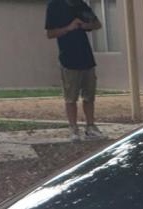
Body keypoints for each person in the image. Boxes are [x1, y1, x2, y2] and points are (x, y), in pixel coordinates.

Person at [44, 0, 102, 140]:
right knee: (71, 97)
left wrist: (85, 25)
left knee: (89, 96)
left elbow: (97, 24)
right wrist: (69, 28)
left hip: (86, 57)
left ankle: (90, 127)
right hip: (68, 58)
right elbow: (50, 33)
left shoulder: (81, 5)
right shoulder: (54, 6)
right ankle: (73, 129)